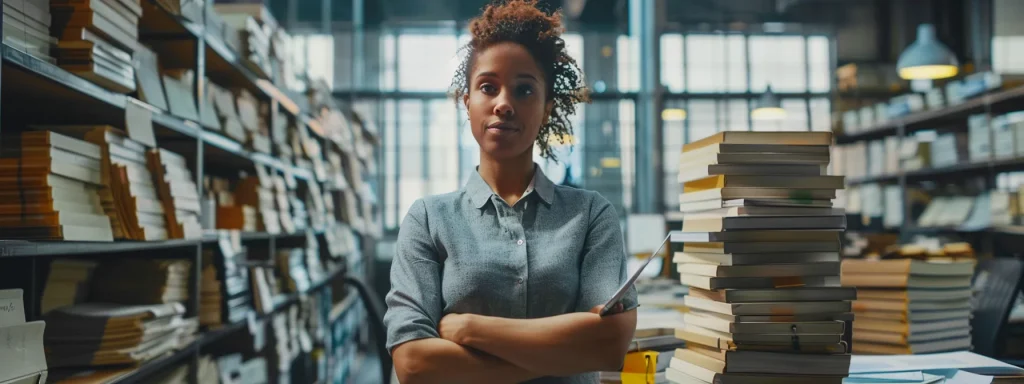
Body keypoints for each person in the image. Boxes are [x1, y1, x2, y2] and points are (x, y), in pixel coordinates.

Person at [383, 1, 638, 383]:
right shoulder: (428, 219)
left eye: (523, 90)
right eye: (488, 87)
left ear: (547, 108)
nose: (504, 104)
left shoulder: (590, 215)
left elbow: (608, 344)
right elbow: (414, 365)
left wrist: (469, 329)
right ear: (467, 103)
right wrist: (563, 354)